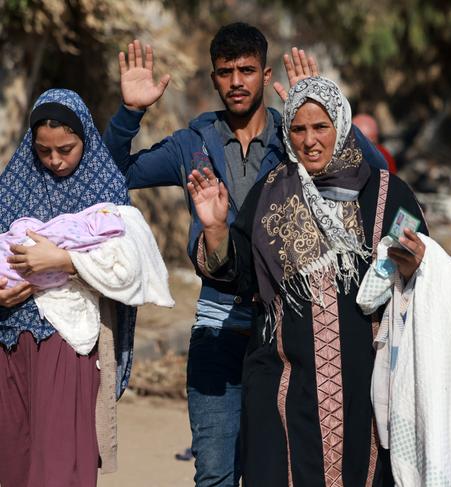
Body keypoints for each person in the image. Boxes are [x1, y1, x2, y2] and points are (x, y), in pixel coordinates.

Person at [102, 22, 387, 487]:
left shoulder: (294, 136)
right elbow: (113, 173)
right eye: (225, 72)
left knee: (274, 470)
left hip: (287, 325)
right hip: (217, 320)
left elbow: (371, 171)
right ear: (213, 79)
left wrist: (320, 106)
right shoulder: (190, 145)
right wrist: (129, 113)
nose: (236, 81)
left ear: (265, 72)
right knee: (214, 471)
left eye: (247, 70)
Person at [187, 75, 426, 486]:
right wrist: (215, 231)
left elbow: (421, 264)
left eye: (320, 127)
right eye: (298, 129)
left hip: (367, 392)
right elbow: (238, 277)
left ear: (341, 125)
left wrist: (416, 262)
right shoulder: (270, 194)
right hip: (282, 384)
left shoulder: (389, 193)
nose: (309, 140)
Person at [0, 89, 173, 487]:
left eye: (66, 148)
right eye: (44, 151)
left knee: (59, 467)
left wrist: (64, 262)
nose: (55, 160)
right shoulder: (13, 186)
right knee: (13, 462)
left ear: (85, 140)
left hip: (67, 345)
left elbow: (131, 266)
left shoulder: (104, 191)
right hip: (10, 343)